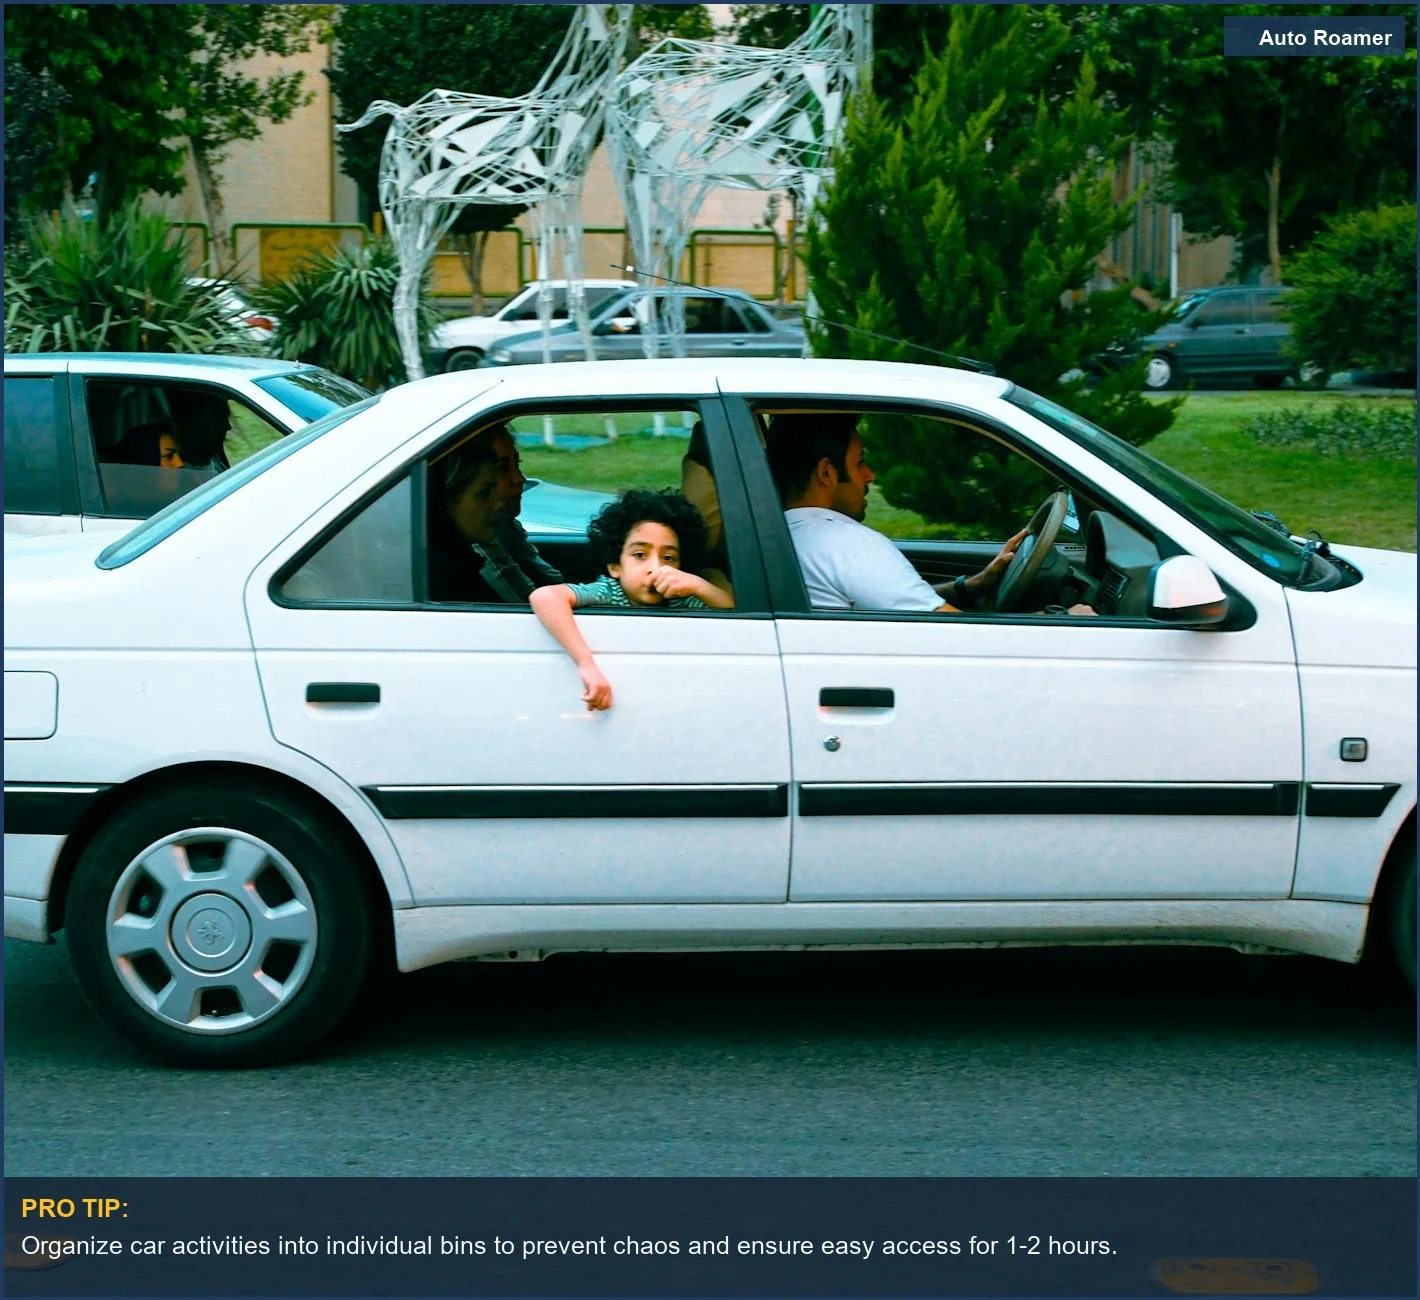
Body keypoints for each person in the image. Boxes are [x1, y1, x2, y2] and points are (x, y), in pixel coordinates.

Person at [764, 413, 1086, 615]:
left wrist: (973, 585)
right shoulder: (848, 546)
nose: (870, 475)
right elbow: (962, 639)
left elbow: (896, 599)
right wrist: (1066, 620)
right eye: (860, 462)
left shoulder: (776, 535)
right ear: (826, 473)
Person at [530, 489, 733, 711]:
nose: (655, 568)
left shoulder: (681, 597)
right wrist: (585, 663)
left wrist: (698, 585)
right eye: (639, 555)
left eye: (668, 558)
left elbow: (737, 612)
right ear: (615, 566)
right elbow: (545, 596)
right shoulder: (609, 591)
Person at [473, 423, 564, 601]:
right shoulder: (480, 538)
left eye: (517, 464)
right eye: (501, 469)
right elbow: (525, 603)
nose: (519, 478)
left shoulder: (503, 525)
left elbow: (552, 580)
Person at [426, 436, 509, 604]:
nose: (499, 502)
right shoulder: (442, 579)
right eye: (484, 493)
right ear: (445, 501)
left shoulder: (459, 565)